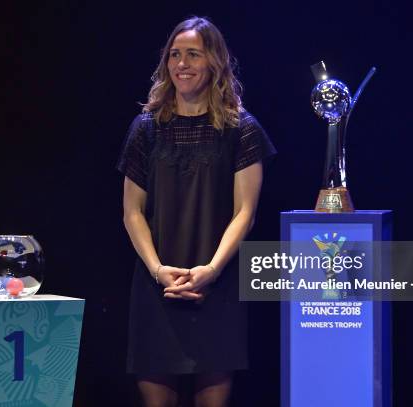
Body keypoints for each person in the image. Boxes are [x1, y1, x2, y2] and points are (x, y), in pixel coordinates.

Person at [118, 16, 276, 407]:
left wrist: (212, 270)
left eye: (193, 54)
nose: (181, 64)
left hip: (216, 285)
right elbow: (132, 212)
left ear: (215, 63)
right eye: (174, 55)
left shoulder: (242, 129)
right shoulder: (146, 128)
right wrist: (158, 270)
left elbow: (245, 212)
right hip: (158, 285)